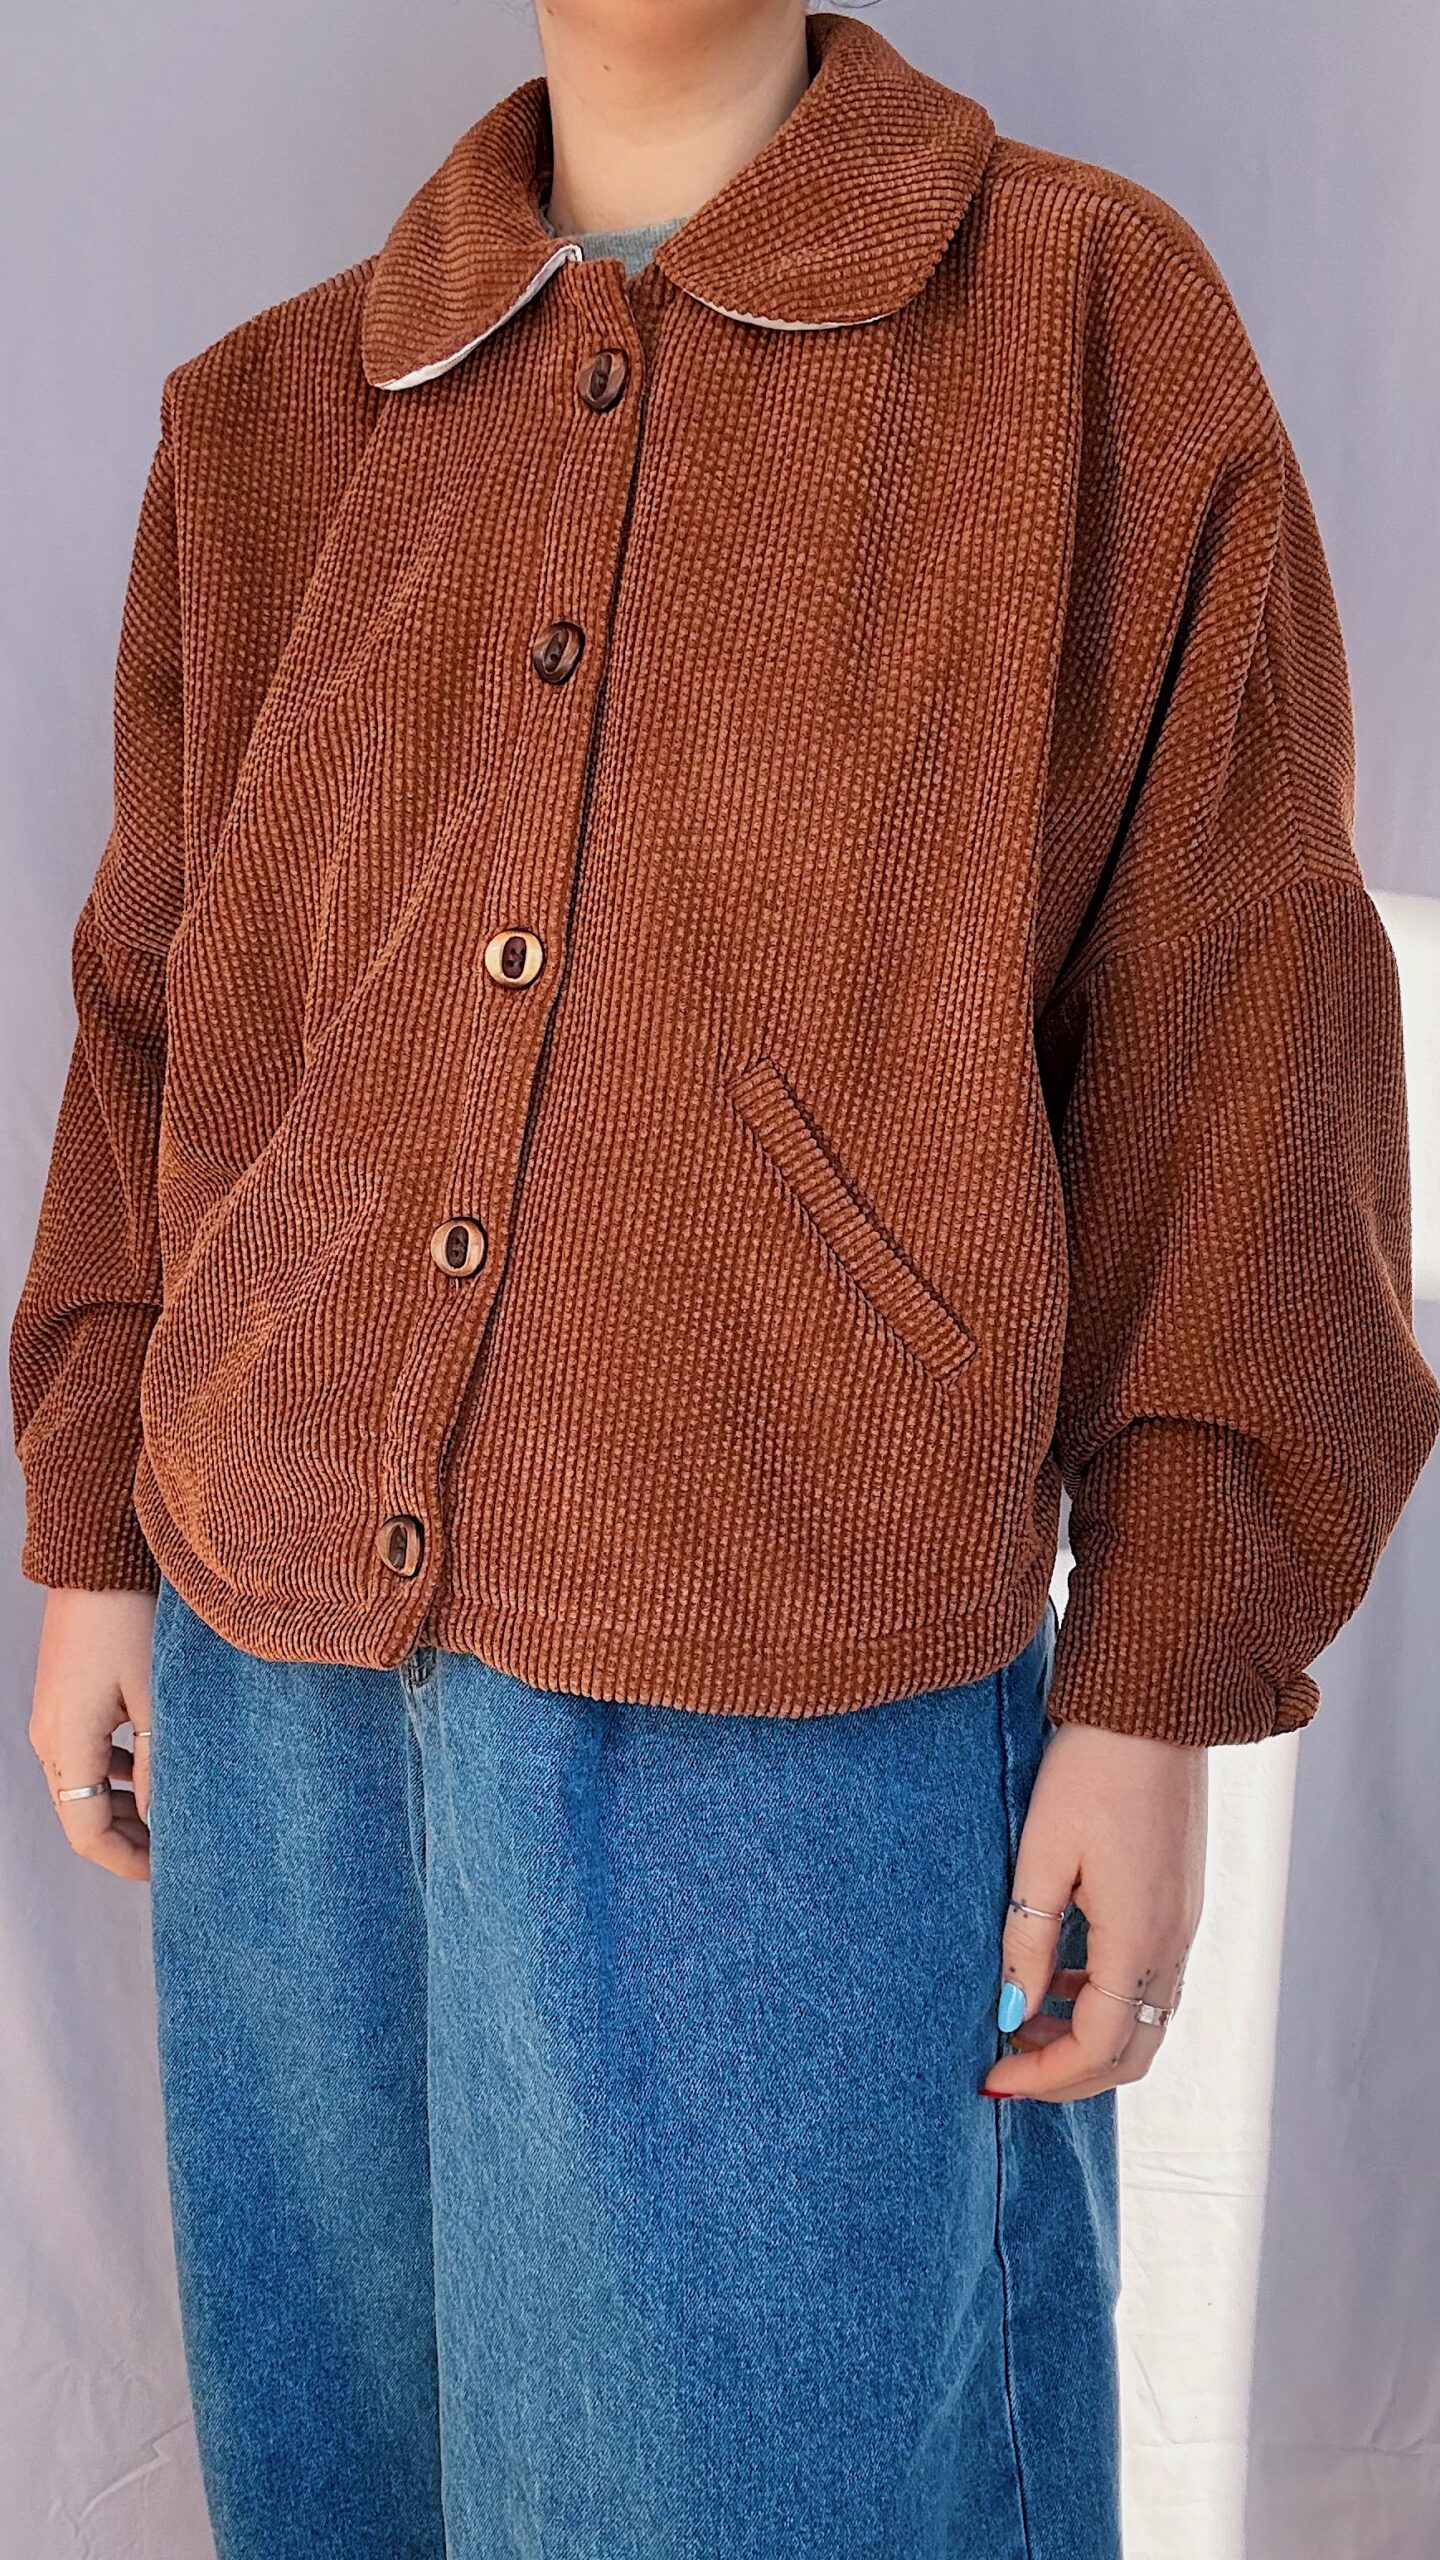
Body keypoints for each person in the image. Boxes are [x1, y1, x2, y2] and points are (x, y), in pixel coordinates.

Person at [11, 4, 1437, 2555]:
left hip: (798, 1707)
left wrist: (1154, 1676)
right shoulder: (269, 425)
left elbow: (1246, 1019)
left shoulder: (1086, 335)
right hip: (279, 1704)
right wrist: (98, 1529)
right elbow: (159, 1013)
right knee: (345, 2487)